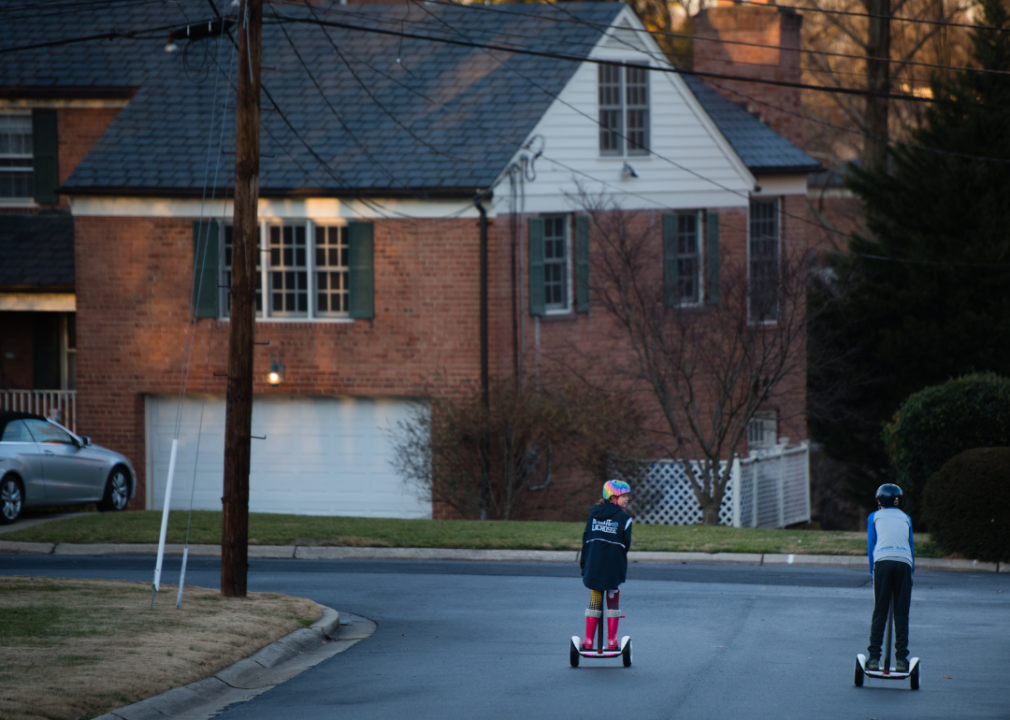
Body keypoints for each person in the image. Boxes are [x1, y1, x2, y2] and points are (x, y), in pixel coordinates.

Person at [866, 483, 915, 672]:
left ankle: (873, 658)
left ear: (880, 500)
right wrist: (910, 573)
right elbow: (910, 545)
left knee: (880, 611)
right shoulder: (906, 518)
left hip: (883, 562)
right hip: (904, 563)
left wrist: (873, 570)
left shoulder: (874, 517)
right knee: (901, 613)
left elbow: (872, 544)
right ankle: (902, 659)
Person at [579, 479, 633, 651]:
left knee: (595, 600)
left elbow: (586, 540)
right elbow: (626, 544)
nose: (627, 499)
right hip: (613, 567)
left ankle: (588, 641)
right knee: (613, 600)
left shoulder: (593, 515)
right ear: (612, 498)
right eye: (623, 496)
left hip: (593, 565)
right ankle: (612, 641)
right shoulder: (624, 519)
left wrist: (584, 564)